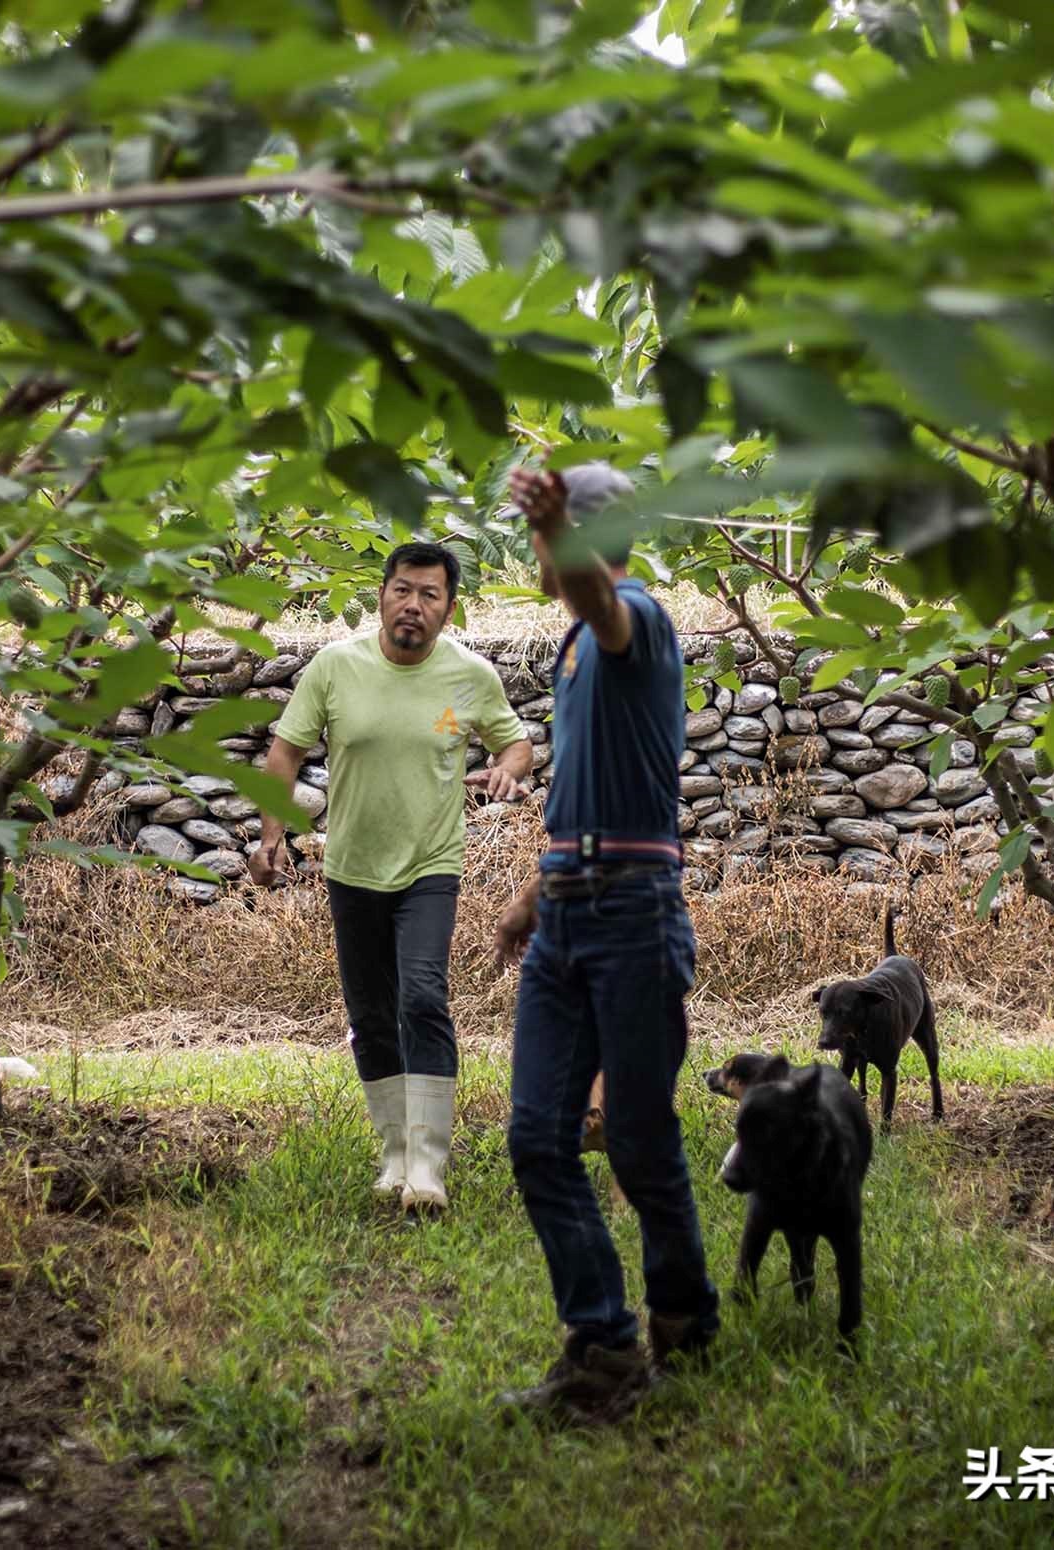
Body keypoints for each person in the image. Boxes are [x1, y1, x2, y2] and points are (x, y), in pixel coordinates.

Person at [492, 460, 719, 1423]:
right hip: (569, 917)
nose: (536, 559)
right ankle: (603, 1344)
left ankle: (685, 1316)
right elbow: (582, 796)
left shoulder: (636, 618)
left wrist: (558, 533)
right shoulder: (575, 649)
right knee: (539, 1137)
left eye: (547, 538)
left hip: (634, 918)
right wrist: (531, 896)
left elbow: (602, 598)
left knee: (635, 1137)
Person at [252, 540, 532, 1212]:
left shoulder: (469, 676)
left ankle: (429, 1168)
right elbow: (285, 752)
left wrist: (506, 769)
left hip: (430, 865)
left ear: (449, 608)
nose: (414, 606)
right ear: (381, 595)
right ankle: (394, 1156)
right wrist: (270, 838)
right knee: (371, 1016)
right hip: (352, 868)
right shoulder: (335, 667)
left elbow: (515, 742)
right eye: (403, 590)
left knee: (422, 1000)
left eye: (430, 595)